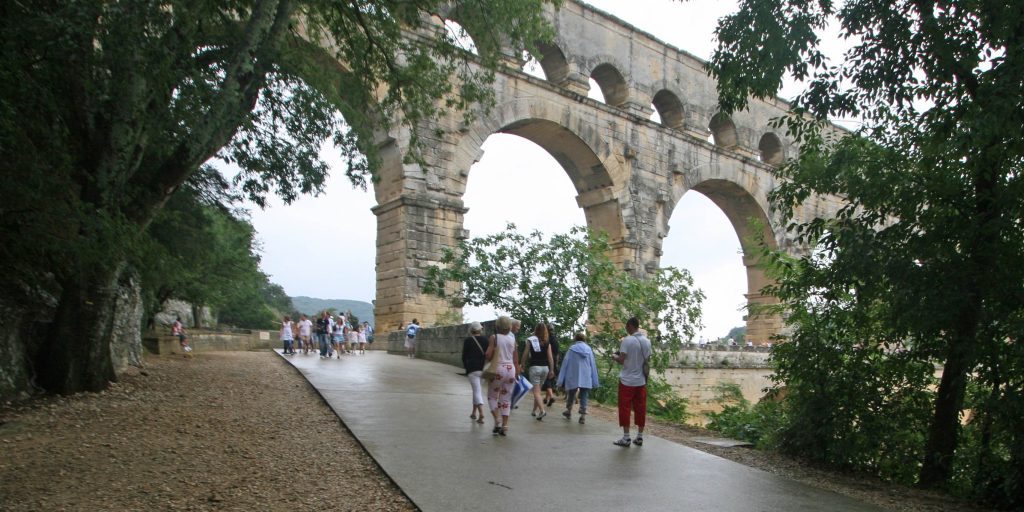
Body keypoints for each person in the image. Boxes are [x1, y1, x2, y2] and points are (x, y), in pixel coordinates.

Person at [611, 317, 652, 447]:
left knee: (625, 408)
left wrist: (614, 356)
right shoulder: (647, 341)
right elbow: (647, 360)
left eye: (626, 326)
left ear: (630, 326)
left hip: (627, 381)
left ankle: (626, 437)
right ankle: (639, 437)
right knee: (640, 408)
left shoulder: (627, 341)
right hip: (641, 381)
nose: (625, 328)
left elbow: (622, 359)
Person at [486, 316, 522, 436]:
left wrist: (491, 353)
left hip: (498, 370)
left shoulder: (494, 337)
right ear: (509, 327)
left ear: (497, 326)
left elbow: (488, 355)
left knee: (492, 396)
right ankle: (505, 426)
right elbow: (516, 359)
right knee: (506, 398)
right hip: (510, 369)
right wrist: (517, 372)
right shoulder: (512, 340)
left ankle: (497, 420)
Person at [557, 331, 600, 424]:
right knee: (584, 394)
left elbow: (565, 363)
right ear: (584, 340)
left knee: (571, 393)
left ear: (575, 339)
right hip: (586, 375)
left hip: (573, 374)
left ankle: (568, 411)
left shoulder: (572, 349)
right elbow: (592, 364)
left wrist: (561, 379)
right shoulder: (588, 349)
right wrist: (595, 380)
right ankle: (583, 416)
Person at [519, 323, 555, 420]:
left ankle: (542, 411)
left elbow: (525, 354)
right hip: (545, 369)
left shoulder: (531, 340)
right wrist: (551, 370)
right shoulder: (547, 342)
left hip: (534, 367)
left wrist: (522, 365)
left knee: (536, 392)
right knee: (538, 391)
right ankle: (534, 411)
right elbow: (550, 358)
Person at [461, 322, 488, 424]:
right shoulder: (486, 340)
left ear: (471, 330)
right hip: (483, 368)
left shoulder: (468, 340)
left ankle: (481, 414)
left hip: (472, 369)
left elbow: (464, 356)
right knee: (477, 391)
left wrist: (466, 367)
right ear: (480, 330)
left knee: (477, 391)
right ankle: (474, 412)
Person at [542, 322, 561, 407]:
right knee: (550, 380)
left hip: (546, 361)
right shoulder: (555, 340)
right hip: (554, 361)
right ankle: (547, 399)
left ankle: (551, 396)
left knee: (547, 380)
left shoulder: (546, 339)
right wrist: (556, 363)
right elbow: (557, 354)